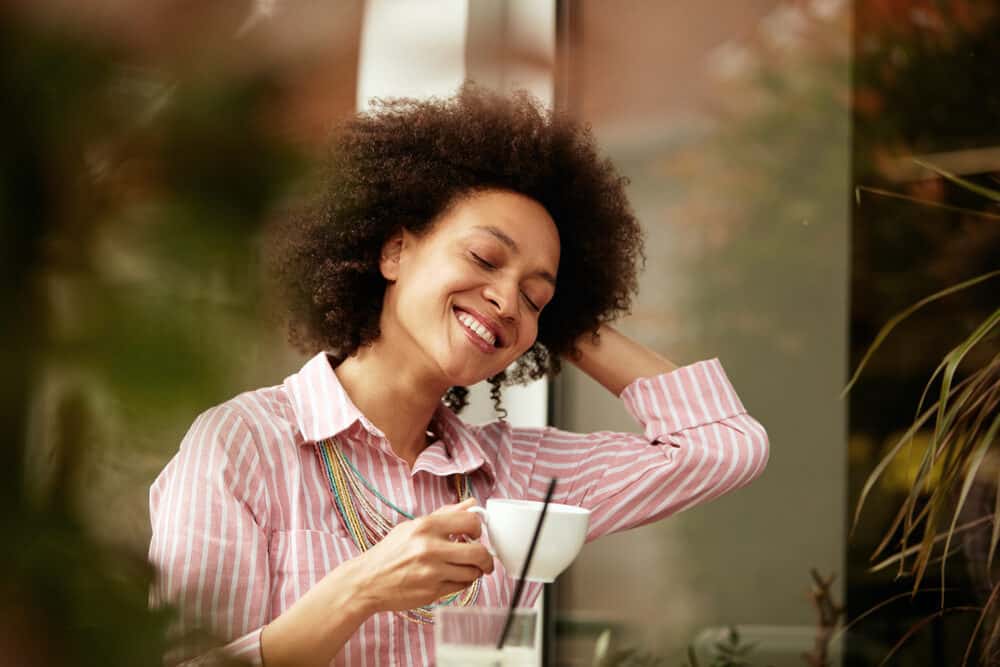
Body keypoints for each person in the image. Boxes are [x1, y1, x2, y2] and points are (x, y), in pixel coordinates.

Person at [148, 84, 769, 667]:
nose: (506, 299)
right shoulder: (241, 446)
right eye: (484, 258)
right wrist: (359, 590)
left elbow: (722, 446)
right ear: (394, 251)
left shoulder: (516, 479)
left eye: (535, 297)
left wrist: (563, 321)